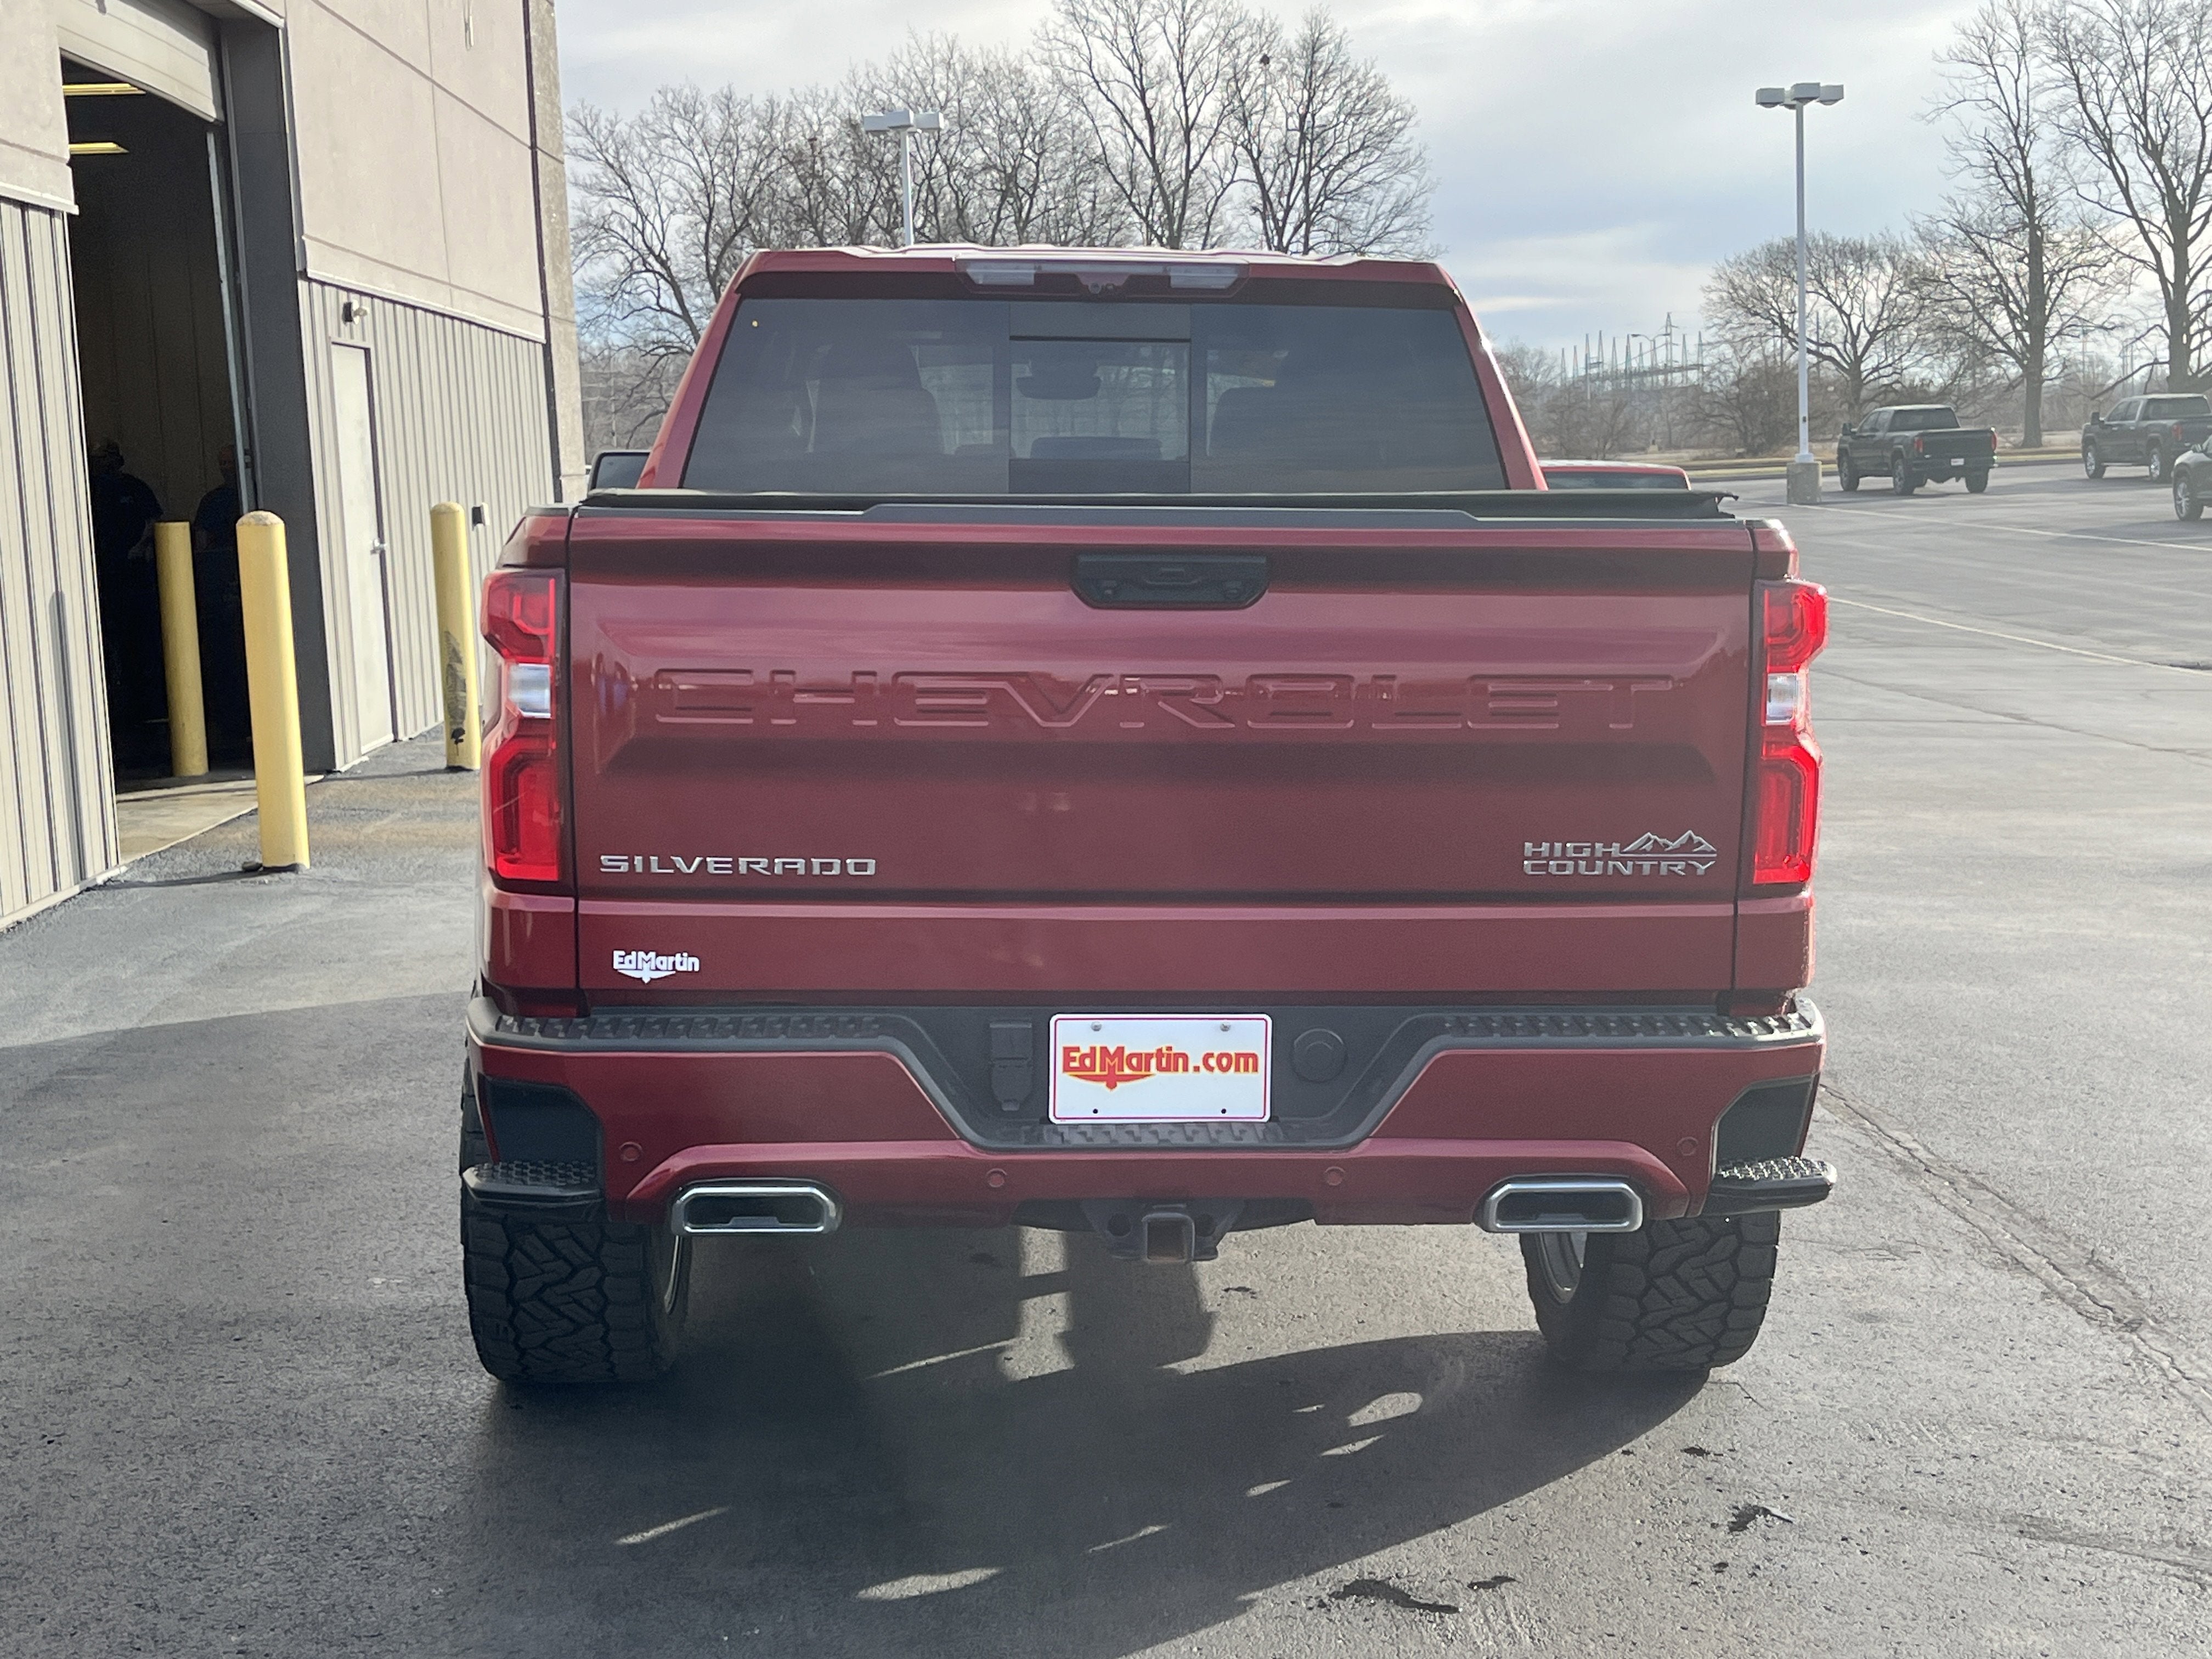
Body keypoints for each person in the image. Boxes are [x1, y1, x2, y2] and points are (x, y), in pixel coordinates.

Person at [87, 441, 165, 764]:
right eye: (97, 459)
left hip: (133, 575)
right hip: (102, 576)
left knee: (140, 642)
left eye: (107, 458)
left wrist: (139, 548)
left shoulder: (135, 488)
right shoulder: (88, 490)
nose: (102, 464)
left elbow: (153, 521)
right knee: (106, 644)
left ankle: (145, 709)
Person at [192, 444, 251, 751]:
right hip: (222, 591)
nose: (227, 468)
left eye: (231, 463)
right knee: (227, 657)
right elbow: (201, 543)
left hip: (250, 588)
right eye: (223, 463)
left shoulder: (255, 495)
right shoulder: (213, 501)